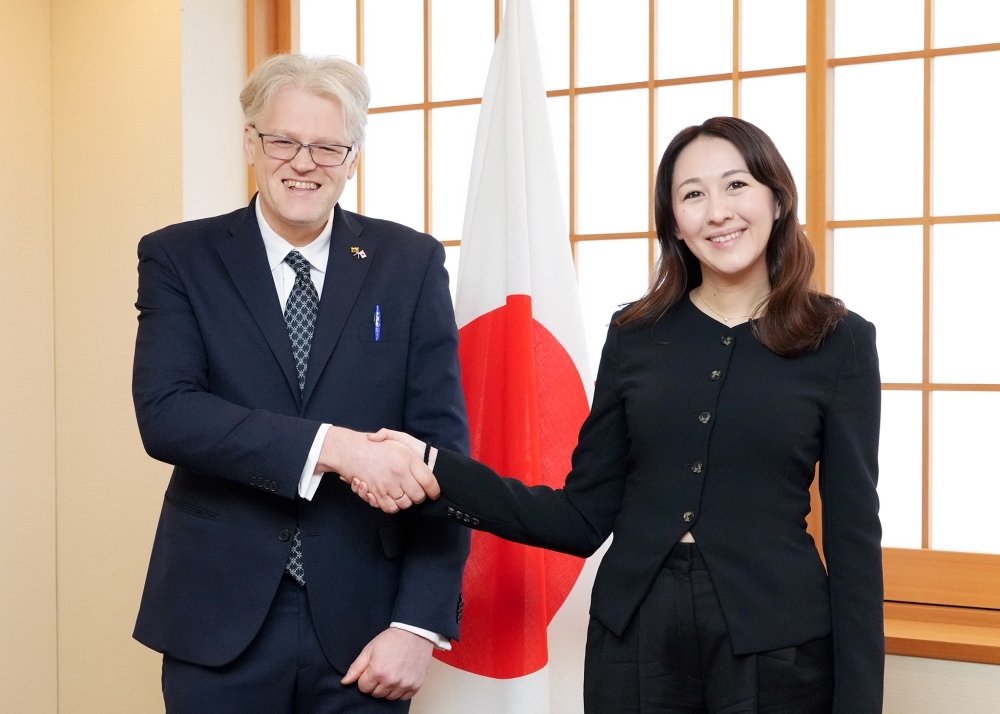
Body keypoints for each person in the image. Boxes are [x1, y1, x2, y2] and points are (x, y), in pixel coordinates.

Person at [353, 117, 884, 714]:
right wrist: (431, 466)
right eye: (693, 194)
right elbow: (579, 518)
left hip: (779, 644)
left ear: (778, 199)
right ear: (675, 226)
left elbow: (854, 536)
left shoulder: (840, 341)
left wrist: (860, 700)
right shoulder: (635, 335)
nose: (717, 212)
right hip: (635, 639)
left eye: (737, 185)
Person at [131, 53, 469, 713]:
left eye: (327, 146)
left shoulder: (410, 263)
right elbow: (168, 413)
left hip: (368, 630)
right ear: (251, 143)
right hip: (215, 621)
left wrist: (418, 625)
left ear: (354, 157)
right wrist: (333, 448)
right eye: (283, 140)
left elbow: (441, 456)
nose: (303, 162)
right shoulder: (178, 257)